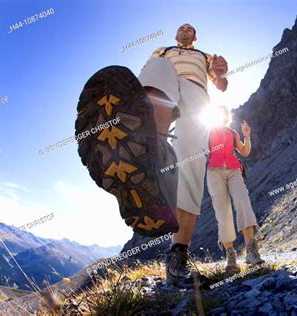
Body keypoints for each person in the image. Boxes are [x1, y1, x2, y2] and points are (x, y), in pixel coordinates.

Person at [75, 23, 228, 286]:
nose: (185, 30)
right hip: (166, 83)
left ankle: (177, 258)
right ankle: (148, 147)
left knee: (191, 166)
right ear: (176, 34)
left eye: (190, 29)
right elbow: (146, 79)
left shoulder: (206, 57)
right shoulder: (163, 51)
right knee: (159, 68)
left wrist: (221, 72)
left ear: (195, 36)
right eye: (181, 28)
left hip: (197, 94)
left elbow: (222, 85)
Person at [206, 106, 264, 274]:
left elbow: (244, 152)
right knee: (222, 212)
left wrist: (246, 135)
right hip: (214, 172)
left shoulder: (233, 134)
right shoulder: (207, 132)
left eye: (224, 114)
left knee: (243, 201)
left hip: (233, 170)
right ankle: (230, 256)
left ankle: (251, 251)